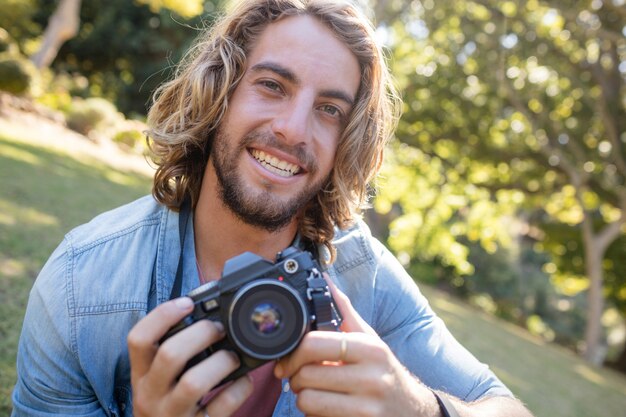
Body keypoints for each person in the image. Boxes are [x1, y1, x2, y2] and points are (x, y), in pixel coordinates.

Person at [11, 0, 535, 416]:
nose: (293, 129)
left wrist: (420, 409)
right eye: (271, 85)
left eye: (329, 109)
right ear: (219, 94)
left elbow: (508, 407)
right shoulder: (82, 287)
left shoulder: (364, 276)